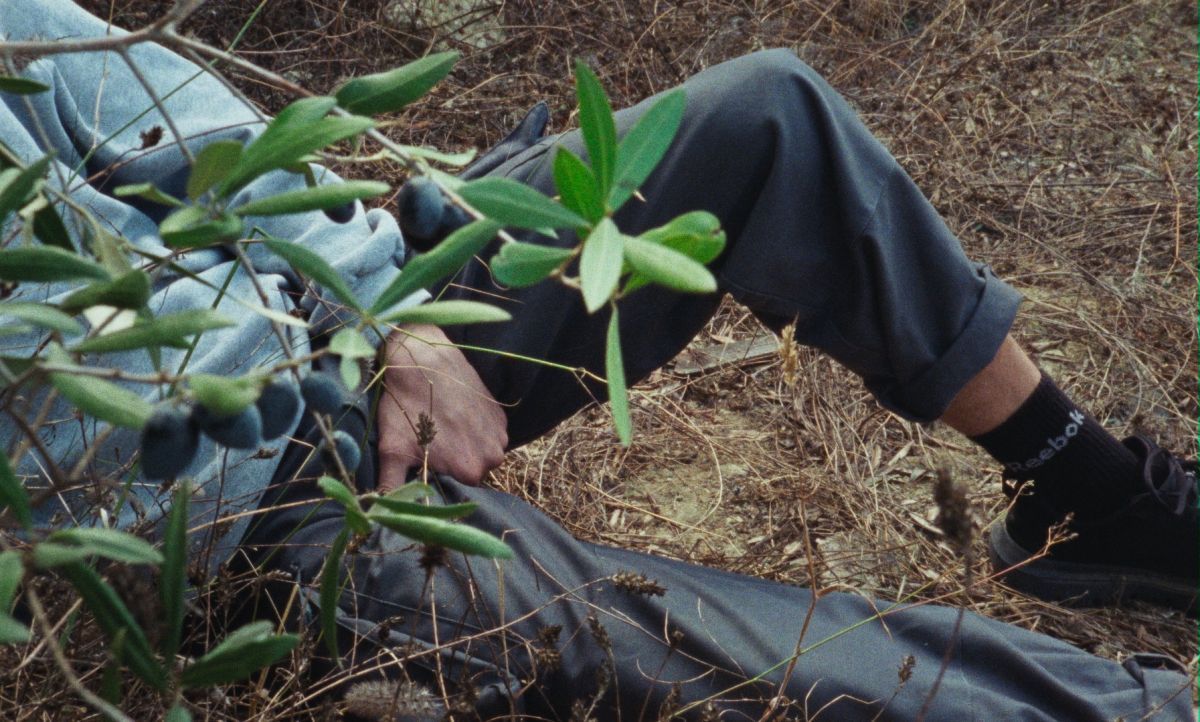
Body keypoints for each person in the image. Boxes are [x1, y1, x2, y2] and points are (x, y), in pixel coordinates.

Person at [0, 1, 1194, 719]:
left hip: (358, 305)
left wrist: (392, 320)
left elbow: (222, 147)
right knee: (675, 645)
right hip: (250, 499)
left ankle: (1083, 495)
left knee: (766, 117)